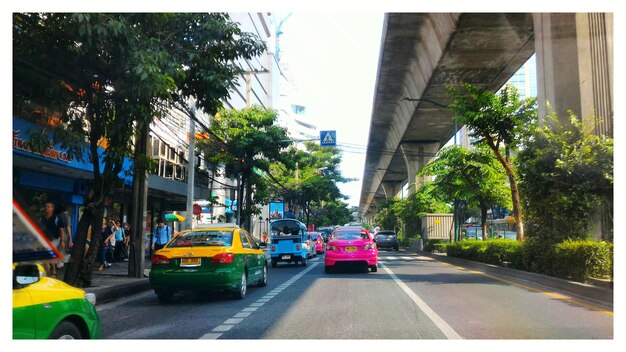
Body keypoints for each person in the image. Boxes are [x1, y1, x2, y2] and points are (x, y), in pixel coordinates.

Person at [39, 202, 66, 277]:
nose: (46, 208)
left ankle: (54, 272)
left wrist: (62, 241)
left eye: (48, 206)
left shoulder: (57, 218)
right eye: (46, 206)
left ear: (52, 208)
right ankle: (47, 272)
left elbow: (61, 230)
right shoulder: (42, 218)